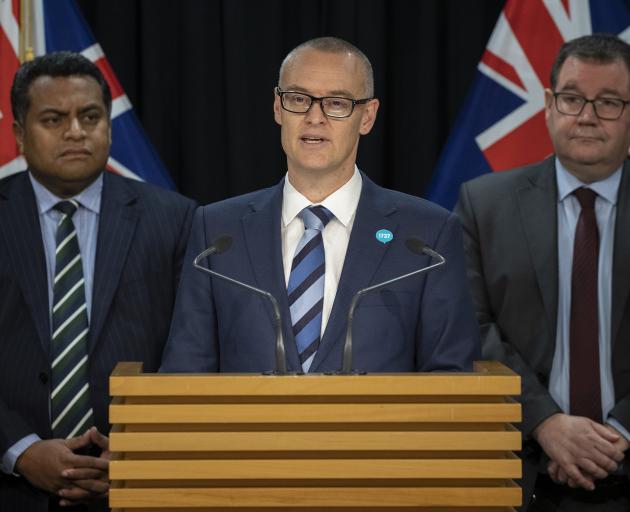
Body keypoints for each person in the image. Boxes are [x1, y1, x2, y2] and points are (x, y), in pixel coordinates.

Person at [161, 36, 480, 375]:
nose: (315, 117)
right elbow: (185, 373)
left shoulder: (427, 236)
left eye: (337, 103)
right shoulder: (217, 232)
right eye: (298, 99)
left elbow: (452, 377)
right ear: (277, 107)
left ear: (368, 116)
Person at [0, 52, 196, 511]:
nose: (75, 131)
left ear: (109, 124)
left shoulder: (176, 219)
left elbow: (193, 352)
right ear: (18, 134)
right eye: (54, 118)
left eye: (90, 116)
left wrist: (139, 450)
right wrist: (21, 451)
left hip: (141, 485)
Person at [455, 34, 630, 511]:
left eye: (609, 102)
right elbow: (470, 329)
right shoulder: (483, 205)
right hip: (519, 469)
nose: (588, 115)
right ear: (549, 105)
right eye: (573, 98)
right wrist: (546, 423)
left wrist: (616, 434)